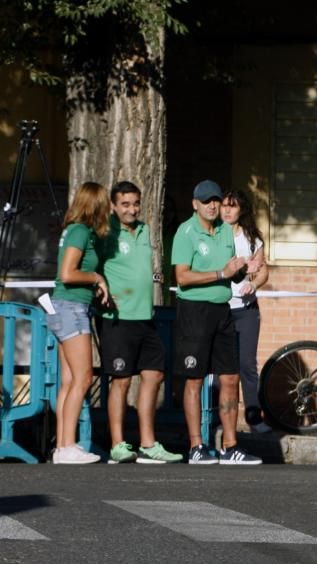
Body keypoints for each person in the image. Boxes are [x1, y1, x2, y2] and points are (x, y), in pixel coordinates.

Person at [171, 179, 263, 465]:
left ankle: (230, 445)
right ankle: (197, 446)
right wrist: (222, 273)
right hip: (194, 311)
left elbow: (230, 273)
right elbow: (182, 277)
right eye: (207, 201)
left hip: (222, 310)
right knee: (195, 379)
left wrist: (242, 271)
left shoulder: (225, 232)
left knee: (230, 377)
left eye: (215, 200)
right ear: (195, 204)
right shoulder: (186, 232)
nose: (213, 206)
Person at [97, 181, 182, 464]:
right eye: (125, 204)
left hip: (146, 316)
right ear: (113, 205)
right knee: (120, 381)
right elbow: (92, 266)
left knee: (154, 374)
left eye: (135, 203)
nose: (132, 209)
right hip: (118, 318)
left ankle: (147, 443)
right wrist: (100, 288)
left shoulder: (145, 230)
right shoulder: (105, 230)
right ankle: (118, 444)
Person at [46, 182, 111, 464]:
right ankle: (68, 444)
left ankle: (62, 446)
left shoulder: (74, 231)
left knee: (69, 381)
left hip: (64, 307)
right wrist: (97, 278)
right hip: (71, 308)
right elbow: (68, 273)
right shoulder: (81, 232)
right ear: (95, 205)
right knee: (83, 377)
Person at [220, 189, 271, 433]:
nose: (227, 210)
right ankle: (218, 418)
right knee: (220, 367)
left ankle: (254, 418)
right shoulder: (213, 235)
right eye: (224, 205)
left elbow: (262, 270)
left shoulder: (252, 238)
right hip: (220, 309)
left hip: (246, 309)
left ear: (242, 210)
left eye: (233, 206)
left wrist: (255, 283)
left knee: (247, 365)